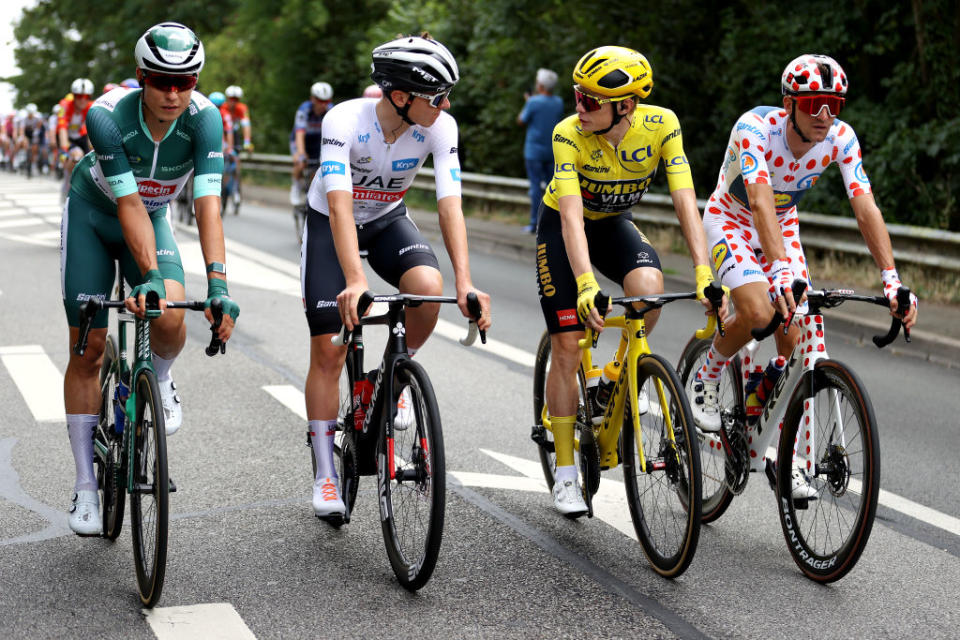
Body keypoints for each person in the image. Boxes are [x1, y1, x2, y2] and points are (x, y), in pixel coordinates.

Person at [690, 54, 918, 499]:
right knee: (759, 310)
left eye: (835, 104)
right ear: (789, 103)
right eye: (814, 103)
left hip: (784, 225)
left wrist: (891, 279)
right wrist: (776, 271)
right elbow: (757, 202)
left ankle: (778, 445)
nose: (825, 116)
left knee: (796, 336)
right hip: (733, 221)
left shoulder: (840, 138)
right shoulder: (755, 129)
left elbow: (865, 206)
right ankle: (708, 372)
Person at [301, 34, 491, 517]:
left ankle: (392, 380)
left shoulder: (439, 127)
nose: (446, 105)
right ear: (401, 96)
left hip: (388, 218)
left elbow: (451, 207)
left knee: (428, 289)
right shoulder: (344, 120)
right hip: (331, 221)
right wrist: (354, 279)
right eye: (437, 96)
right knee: (329, 347)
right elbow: (340, 206)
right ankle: (326, 474)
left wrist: (465, 281)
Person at [60, 22, 239, 535]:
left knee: (170, 317)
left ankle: (159, 379)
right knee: (87, 348)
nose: (174, 93)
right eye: (162, 80)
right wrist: (151, 274)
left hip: (154, 217)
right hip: (97, 215)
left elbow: (207, 208)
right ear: (141, 76)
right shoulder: (107, 116)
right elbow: (129, 202)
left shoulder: (205, 121)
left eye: (186, 82)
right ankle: (85, 489)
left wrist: (220, 288)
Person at [536, 46, 727, 517]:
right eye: (577, 95)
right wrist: (584, 283)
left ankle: (617, 379)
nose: (578, 105)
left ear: (626, 105)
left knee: (650, 288)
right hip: (564, 227)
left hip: (614, 224)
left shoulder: (661, 125)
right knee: (567, 343)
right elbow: (573, 218)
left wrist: (705, 272)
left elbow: (685, 199)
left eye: (590, 100)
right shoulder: (569, 134)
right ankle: (564, 472)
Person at [517, 68, 564, 233]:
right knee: (554, 188)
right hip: (552, 151)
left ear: (541, 85)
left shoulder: (533, 102)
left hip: (534, 151)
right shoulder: (558, 102)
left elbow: (521, 120)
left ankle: (534, 223)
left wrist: (528, 101)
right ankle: (553, 223)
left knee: (535, 188)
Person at [290, 81, 333, 204]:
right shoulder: (304, 110)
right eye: (320, 101)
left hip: (317, 142)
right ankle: (296, 187)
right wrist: (301, 153)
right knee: (300, 162)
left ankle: (311, 196)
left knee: (317, 171)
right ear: (312, 99)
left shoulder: (331, 110)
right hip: (300, 140)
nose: (323, 104)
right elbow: (299, 133)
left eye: (327, 101)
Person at [57, 78, 94, 199]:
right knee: (76, 156)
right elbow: (62, 128)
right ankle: (67, 187)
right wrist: (63, 150)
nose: (83, 99)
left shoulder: (91, 107)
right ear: (73, 96)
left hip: (81, 136)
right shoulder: (65, 105)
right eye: (79, 96)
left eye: (86, 96)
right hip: (67, 137)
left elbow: (92, 131)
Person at [221, 85, 252, 198]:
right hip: (223, 133)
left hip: (235, 134)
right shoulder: (222, 108)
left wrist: (247, 142)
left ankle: (236, 188)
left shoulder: (242, 108)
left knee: (236, 160)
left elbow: (246, 125)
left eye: (236, 100)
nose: (233, 102)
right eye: (231, 99)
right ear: (227, 98)